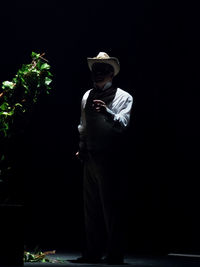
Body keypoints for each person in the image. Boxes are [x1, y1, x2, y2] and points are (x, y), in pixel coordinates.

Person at [71, 52, 133, 265]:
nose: (97, 74)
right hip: (90, 157)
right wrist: (82, 146)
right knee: (91, 207)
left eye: (102, 71)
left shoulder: (123, 96)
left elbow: (122, 125)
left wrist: (107, 111)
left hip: (110, 158)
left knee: (111, 207)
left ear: (111, 73)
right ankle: (92, 252)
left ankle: (115, 254)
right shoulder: (87, 95)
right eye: (95, 71)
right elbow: (84, 125)